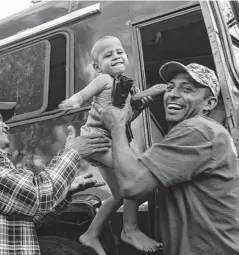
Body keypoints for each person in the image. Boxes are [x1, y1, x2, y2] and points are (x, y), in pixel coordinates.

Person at [91, 61, 239, 255]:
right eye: (170, 87)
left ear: (209, 103)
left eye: (187, 89)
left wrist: (116, 126)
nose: (173, 94)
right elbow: (143, 185)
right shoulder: (204, 131)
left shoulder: (198, 130)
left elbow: (132, 184)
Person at [0, 92, 111, 255]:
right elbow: (36, 196)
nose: (6, 126)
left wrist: (65, 192)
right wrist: (72, 153)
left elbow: (27, 216)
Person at [59, 35, 161, 254]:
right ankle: (130, 229)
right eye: (108, 55)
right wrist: (74, 101)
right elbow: (84, 94)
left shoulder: (128, 87)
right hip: (98, 140)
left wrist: (144, 101)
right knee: (132, 176)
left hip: (109, 142)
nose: (116, 56)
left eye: (119, 52)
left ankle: (91, 234)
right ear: (98, 66)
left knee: (118, 195)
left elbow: (122, 118)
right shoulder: (104, 80)